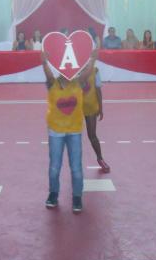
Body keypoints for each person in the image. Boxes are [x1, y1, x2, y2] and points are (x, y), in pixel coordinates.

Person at [41, 49, 97, 213]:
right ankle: (53, 194)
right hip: (56, 131)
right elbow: (48, 74)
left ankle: (77, 196)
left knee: (76, 167)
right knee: (54, 167)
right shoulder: (52, 83)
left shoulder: (79, 82)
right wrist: (44, 62)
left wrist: (92, 58)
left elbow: (87, 73)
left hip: (74, 131)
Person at [81, 62, 110, 174]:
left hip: (90, 106)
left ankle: (100, 159)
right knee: (74, 138)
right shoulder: (72, 71)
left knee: (92, 135)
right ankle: (75, 163)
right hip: (75, 109)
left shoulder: (95, 70)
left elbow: (98, 89)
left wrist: (100, 108)